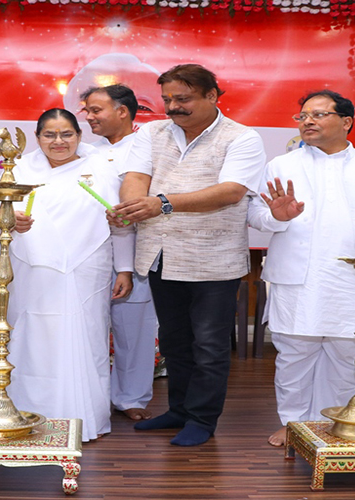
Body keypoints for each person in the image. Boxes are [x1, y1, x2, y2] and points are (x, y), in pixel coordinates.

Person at [247, 90, 355, 447]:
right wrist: (277, 216)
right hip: (298, 280)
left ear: (347, 122)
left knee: (349, 358)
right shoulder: (282, 165)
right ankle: (293, 425)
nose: (308, 121)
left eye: (319, 114)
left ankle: (334, 425)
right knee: (293, 358)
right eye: (303, 115)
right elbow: (255, 216)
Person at [113, 64, 266, 446]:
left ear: (212, 96)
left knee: (210, 345)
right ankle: (179, 410)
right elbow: (135, 176)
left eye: (183, 99)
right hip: (161, 253)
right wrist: (131, 205)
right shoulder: (151, 131)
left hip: (214, 259)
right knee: (174, 341)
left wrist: (161, 203)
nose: (173, 107)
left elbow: (231, 192)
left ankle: (201, 419)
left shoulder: (242, 138)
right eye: (167, 99)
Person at [0, 108, 134, 442]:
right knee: (35, 335)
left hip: (86, 268)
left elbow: (119, 222)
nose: (59, 141)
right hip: (32, 265)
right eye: (50, 134)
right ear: (37, 138)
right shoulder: (18, 168)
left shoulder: (102, 169)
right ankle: (27, 414)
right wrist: (8, 218)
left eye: (67, 134)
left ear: (79, 135)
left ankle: (84, 419)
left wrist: (124, 268)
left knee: (86, 336)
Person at [81, 84, 157, 421]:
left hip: (136, 255)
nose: (89, 117)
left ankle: (132, 399)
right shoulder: (83, 153)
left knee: (135, 330)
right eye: (87, 111)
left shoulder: (150, 149)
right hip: (86, 253)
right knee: (88, 329)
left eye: (96, 110)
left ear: (122, 111)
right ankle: (89, 396)